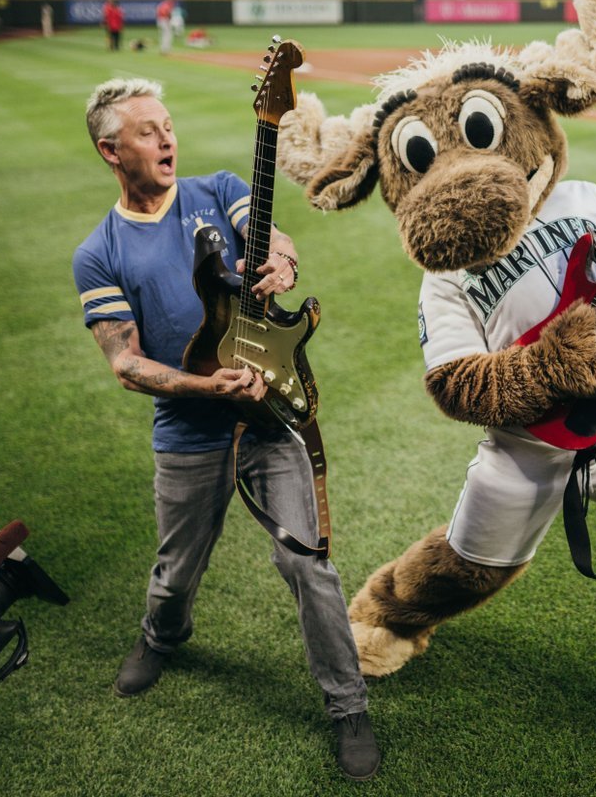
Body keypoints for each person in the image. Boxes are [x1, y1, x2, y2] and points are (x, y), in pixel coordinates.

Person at [73, 78, 380, 781]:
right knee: (177, 571)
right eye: (148, 132)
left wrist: (283, 260)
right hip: (189, 429)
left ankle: (347, 705)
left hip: (269, 414)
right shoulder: (101, 252)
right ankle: (162, 635)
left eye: (169, 125)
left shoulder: (217, 188)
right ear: (111, 151)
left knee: (306, 561)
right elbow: (125, 360)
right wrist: (204, 385)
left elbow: (270, 231)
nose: (167, 138)